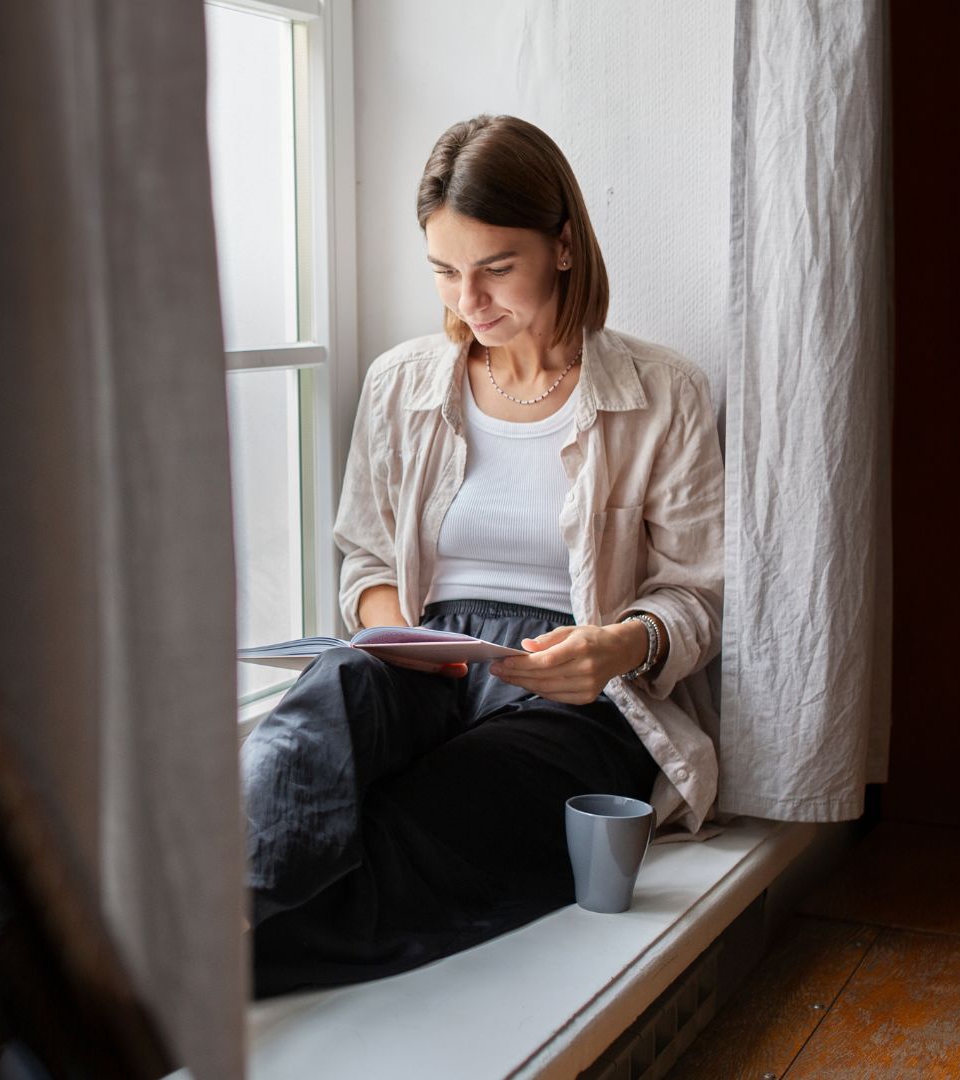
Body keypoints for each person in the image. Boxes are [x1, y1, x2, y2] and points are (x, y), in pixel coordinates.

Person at [242, 114, 725, 997]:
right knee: (323, 711)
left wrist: (615, 647)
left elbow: (698, 594)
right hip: (430, 653)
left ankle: (151, 971)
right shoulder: (402, 383)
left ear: (564, 247)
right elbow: (364, 560)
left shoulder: (665, 392)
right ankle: (203, 916)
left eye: (496, 268)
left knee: (421, 833)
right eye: (444, 272)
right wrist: (399, 638)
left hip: (575, 682)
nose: (469, 301)